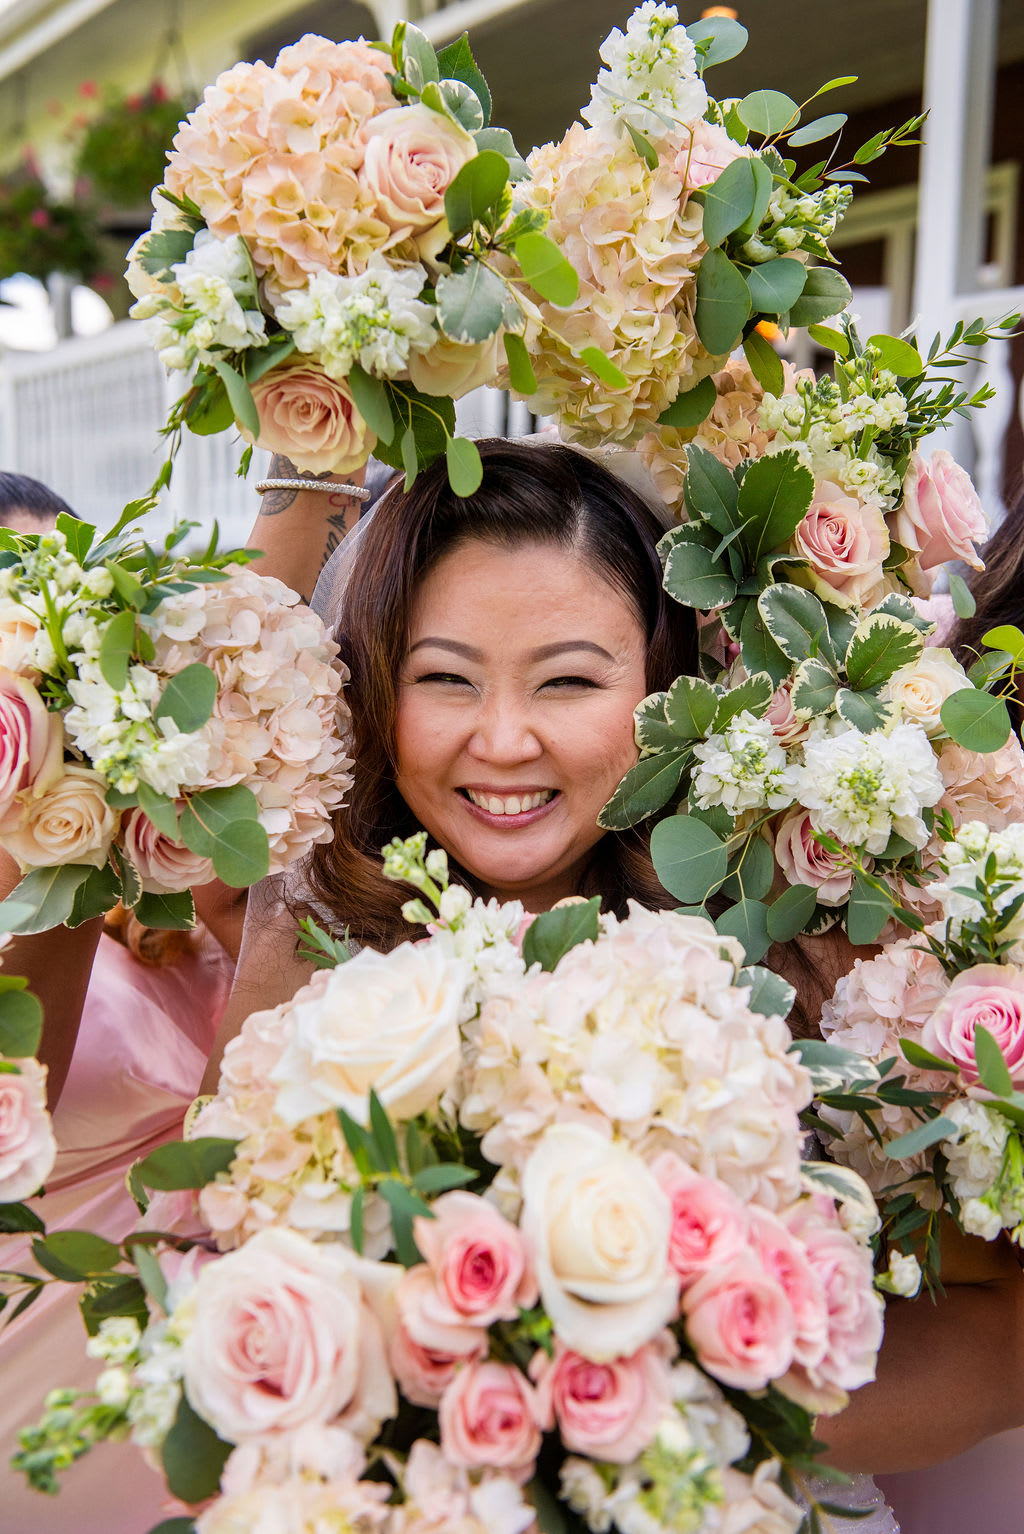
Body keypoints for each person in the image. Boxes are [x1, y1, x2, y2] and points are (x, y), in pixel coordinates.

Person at [202, 439, 1024, 1509]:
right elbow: (224, 1288)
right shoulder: (310, 955)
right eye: (444, 678)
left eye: (568, 681)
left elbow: (999, 1328)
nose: (503, 740)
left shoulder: (800, 940)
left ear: (662, 681)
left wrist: (657, 1422)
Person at [0, 477, 239, 1533]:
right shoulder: (75, 877)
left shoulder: (158, 868)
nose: (44, 667)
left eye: (66, 619)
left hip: (242, 1412)